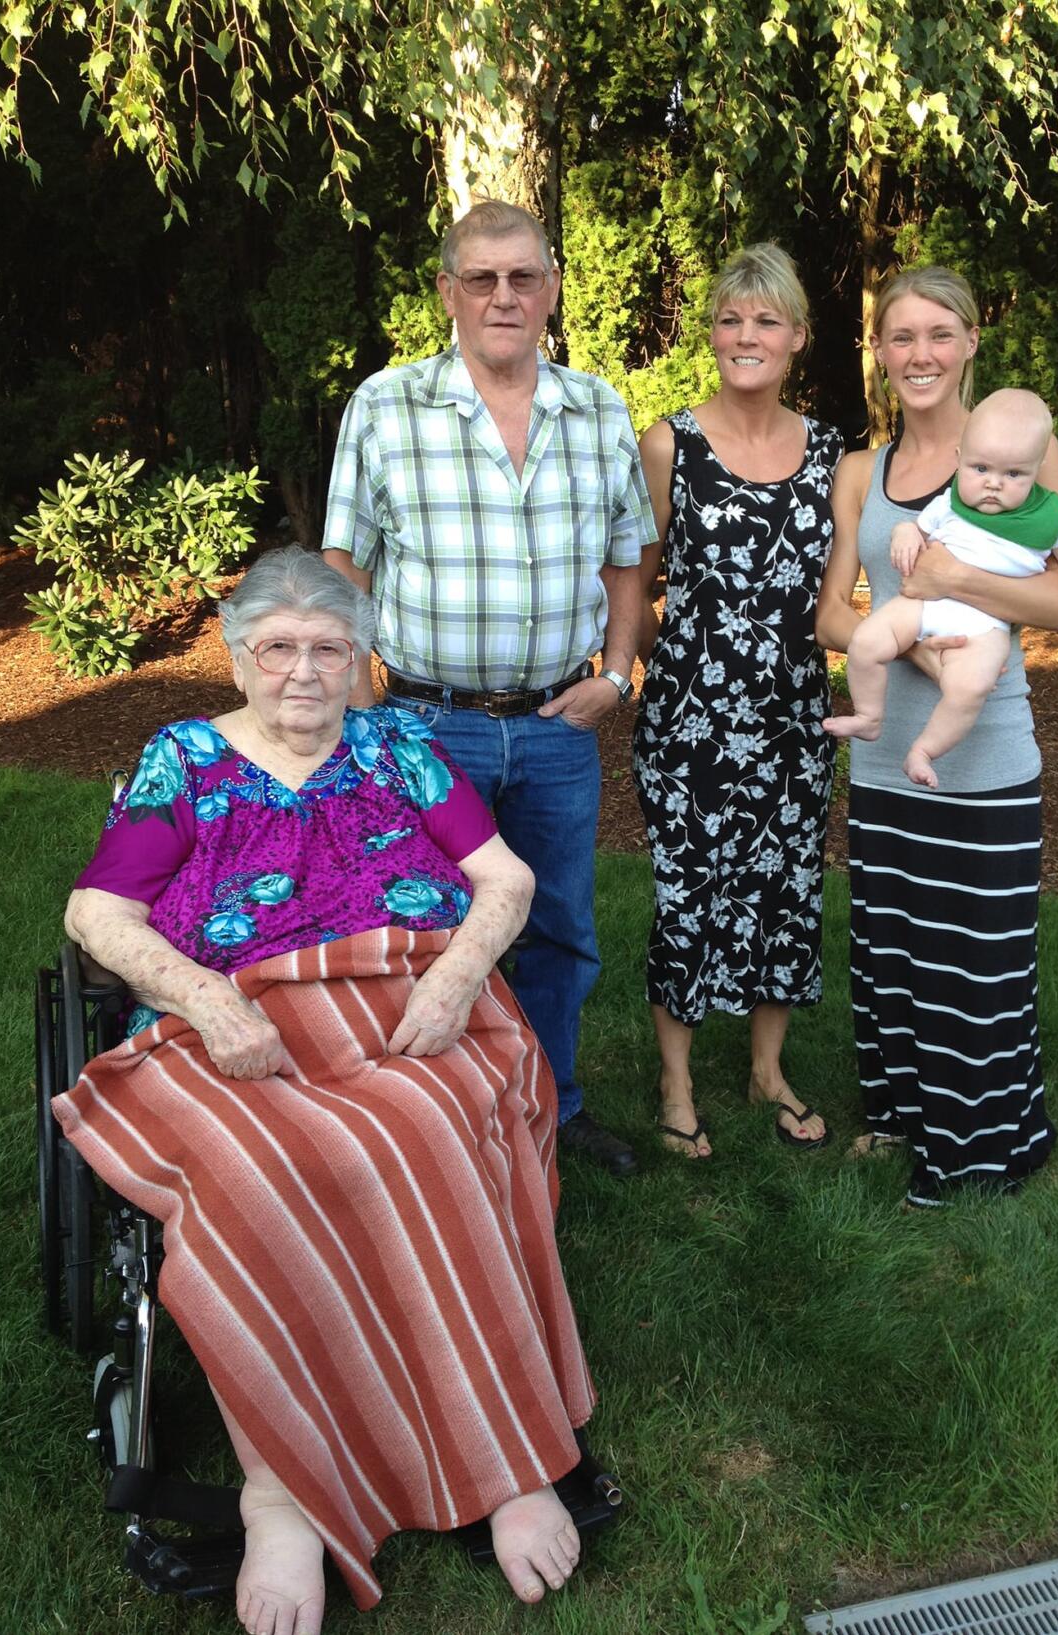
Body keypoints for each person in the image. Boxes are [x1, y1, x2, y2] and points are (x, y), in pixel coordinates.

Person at [52, 547, 597, 1635]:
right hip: (230, 1019)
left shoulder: (399, 746)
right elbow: (96, 914)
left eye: (328, 650)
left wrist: (452, 982)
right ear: (237, 653)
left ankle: (501, 1459)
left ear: (360, 658)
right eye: (278, 648)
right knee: (258, 1168)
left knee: (433, 1130)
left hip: (406, 998)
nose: (304, 672)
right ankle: (282, 1493)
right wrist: (207, 1003)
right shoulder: (186, 758)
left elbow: (504, 878)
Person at [322, 200, 653, 1179]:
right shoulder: (385, 406)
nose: (503, 295)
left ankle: (549, 1108)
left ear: (550, 288)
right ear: (447, 291)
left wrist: (616, 677)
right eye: (482, 278)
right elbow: (345, 561)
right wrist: (357, 698)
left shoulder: (594, 408)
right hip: (427, 725)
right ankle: (431, 1121)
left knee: (556, 929)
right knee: (422, 929)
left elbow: (628, 561)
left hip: (557, 726)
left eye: (523, 276)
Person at [815, 265, 1058, 1208]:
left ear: (973, 339)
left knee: (980, 960)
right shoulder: (863, 471)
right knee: (896, 949)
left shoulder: (1020, 454)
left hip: (988, 754)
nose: (920, 354)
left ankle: (974, 1149)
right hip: (889, 754)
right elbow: (831, 618)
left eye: (940, 334)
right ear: (880, 352)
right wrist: (919, 655)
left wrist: (960, 585)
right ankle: (899, 1114)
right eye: (901, 337)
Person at [632, 243, 842, 1160]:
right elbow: (634, 592)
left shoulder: (834, 452)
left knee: (786, 889)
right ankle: (677, 1083)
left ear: (798, 335)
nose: (745, 335)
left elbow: (836, 600)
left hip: (796, 718)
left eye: (766, 320)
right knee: (690, 894)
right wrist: (671, 666)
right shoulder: (669, 444)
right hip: (690, 722)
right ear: (712, 333)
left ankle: (767, 1069)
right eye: (730, 318)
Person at [824, 387, 1058, 787]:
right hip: (922, 607)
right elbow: (912, 527)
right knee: (868, 639)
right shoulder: (951, 502)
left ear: (1035, 472)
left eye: (1013, 474)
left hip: (983, 627)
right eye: (981, 470)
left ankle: (925, 750)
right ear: (961, 461)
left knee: (970, 686)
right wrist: (904, 535)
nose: (993, 484)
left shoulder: (1049, 516)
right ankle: (869, 715)